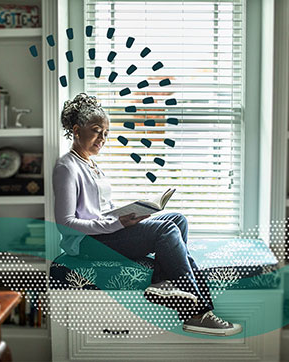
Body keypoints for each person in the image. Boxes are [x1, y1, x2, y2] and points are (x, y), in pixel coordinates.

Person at [52, 93, 242, 337]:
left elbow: (98, 210)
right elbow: (65, 224)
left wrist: (129, 214)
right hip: (87, 243)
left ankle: (163, 282)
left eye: (106, 133)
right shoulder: (66, 167)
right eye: (97, 130)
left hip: (104, 232)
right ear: (77, 130)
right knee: (165, 230)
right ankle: (197, 313)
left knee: (177, 220)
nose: (103, 138)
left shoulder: (91, 164)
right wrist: (116, 223)